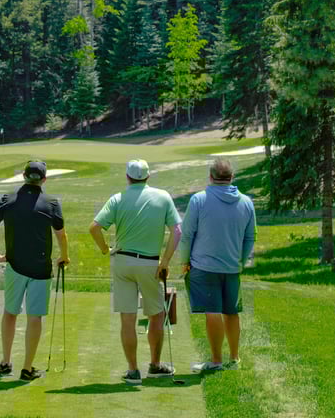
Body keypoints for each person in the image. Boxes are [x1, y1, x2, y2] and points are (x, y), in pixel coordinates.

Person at [89, 158, 182, 385]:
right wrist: (166, 261)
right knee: (157, 315)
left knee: (128, 318)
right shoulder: (162, 197)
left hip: (122, 261)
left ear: (128, 177)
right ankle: (155, 365)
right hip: (150, 263)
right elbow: (177, 231)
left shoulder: (117, 199)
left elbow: (94, 228)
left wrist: (105, 250)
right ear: (148, 176)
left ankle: (132, 371)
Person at [0, 160, 69, 382]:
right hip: (40, 268)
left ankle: (6, 362)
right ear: (44, 179)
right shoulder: (51, 203)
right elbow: (61, 234)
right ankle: (27, 368)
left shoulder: (8, 199)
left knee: (10, 313)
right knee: (34, 317)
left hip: (14, 266)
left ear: (23, 176)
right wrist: (64, 256)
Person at [180, 158, 256, 373]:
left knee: (212, 311)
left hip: (204, 266)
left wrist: (184, 262)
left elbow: (187, 236)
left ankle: (216, 361)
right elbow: (250, 238)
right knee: (232, 312)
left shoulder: (198, 200)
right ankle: (234, 357)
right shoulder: (246, 202)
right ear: (232, 177)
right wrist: (239, 260)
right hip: (232, 267)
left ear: (211, 177)